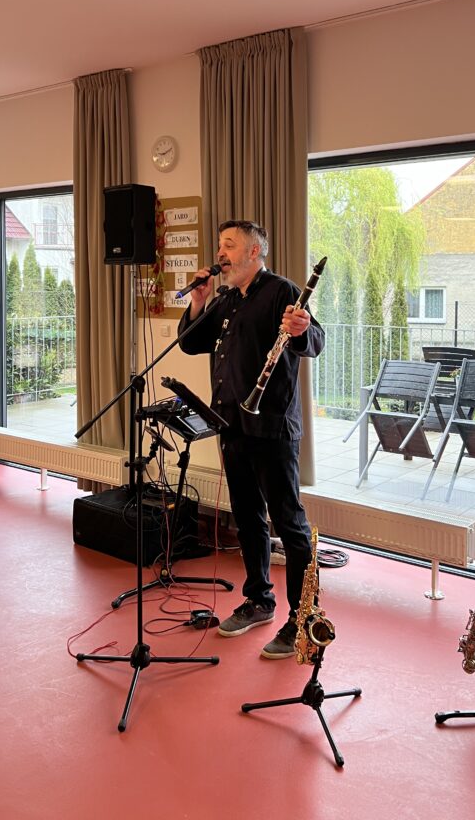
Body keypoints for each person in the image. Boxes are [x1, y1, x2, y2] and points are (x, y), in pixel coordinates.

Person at [178, 220, 325, 659]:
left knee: (289, 524)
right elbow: (190, 344)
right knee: (247, 518)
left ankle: (303, 618)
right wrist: (198, 302)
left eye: (229, 245)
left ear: (254, 252)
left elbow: (316, 341)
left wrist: (302, 329)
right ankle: (259, 600)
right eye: (219, 245)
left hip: (271, 428)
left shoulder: (281, 291)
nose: (220, 253)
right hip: (231, 425)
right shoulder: (225, 298)